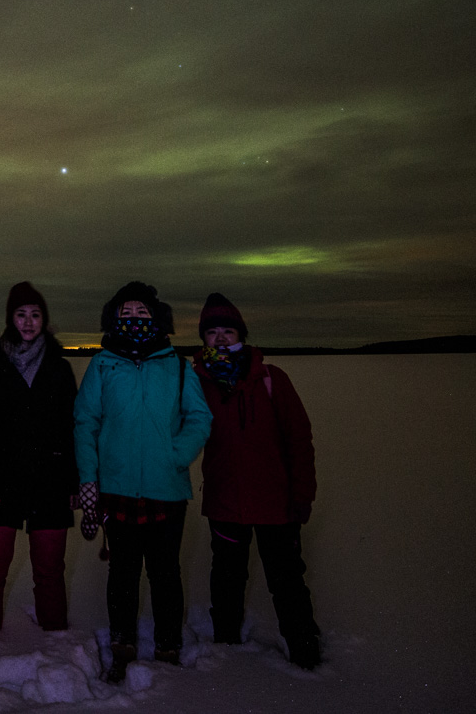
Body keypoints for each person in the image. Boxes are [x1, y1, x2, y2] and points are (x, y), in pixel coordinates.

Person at [74, 281, 212, 682]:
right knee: (122, 574)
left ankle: (168, 645)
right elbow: (86, 422)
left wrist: (176, 454)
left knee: (166, 573)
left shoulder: (178, 367)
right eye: (126, 314)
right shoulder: (103, 365)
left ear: (157, 318)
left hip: (166, 490)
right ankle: (122, 644)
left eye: (141, 313)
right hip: (117, 489)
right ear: (114, 319)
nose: (134, 320)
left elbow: (199, 418)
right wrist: (89, 479)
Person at [192, 291, 322, 670]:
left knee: (286, 578)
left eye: (227, 331)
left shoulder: (271, 379)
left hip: (275, 503)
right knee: (228, 575)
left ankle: (303, 646)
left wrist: (303, 494)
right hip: (225, 500)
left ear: (241, 335)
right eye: (211, 332)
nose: (219, 338)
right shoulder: (197, 382)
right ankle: (227, 643)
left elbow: (299, 439)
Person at [0, 281, 79, 647]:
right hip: (3, 480)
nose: (28, 322)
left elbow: (71, 427)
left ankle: (55, 633)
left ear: (44, 320)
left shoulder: (60, 368)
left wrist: (74, 481)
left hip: (51, 480)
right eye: (21, 314)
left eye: (35, 314)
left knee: (50, 567)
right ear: (9, 319)